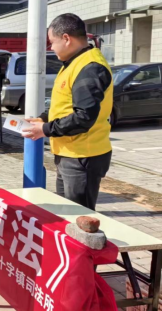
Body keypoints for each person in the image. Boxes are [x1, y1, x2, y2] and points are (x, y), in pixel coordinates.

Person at [23, 13, 113, 210]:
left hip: (82, 155)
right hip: (70, 152)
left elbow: (83, 117)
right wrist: (43, 118)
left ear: (66, 38)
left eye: (52, 42)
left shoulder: (89, 67)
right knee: (66, 213)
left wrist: (45, 129)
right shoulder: (74, 63)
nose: (51, 48)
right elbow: (64, 104)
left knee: (79, 216)